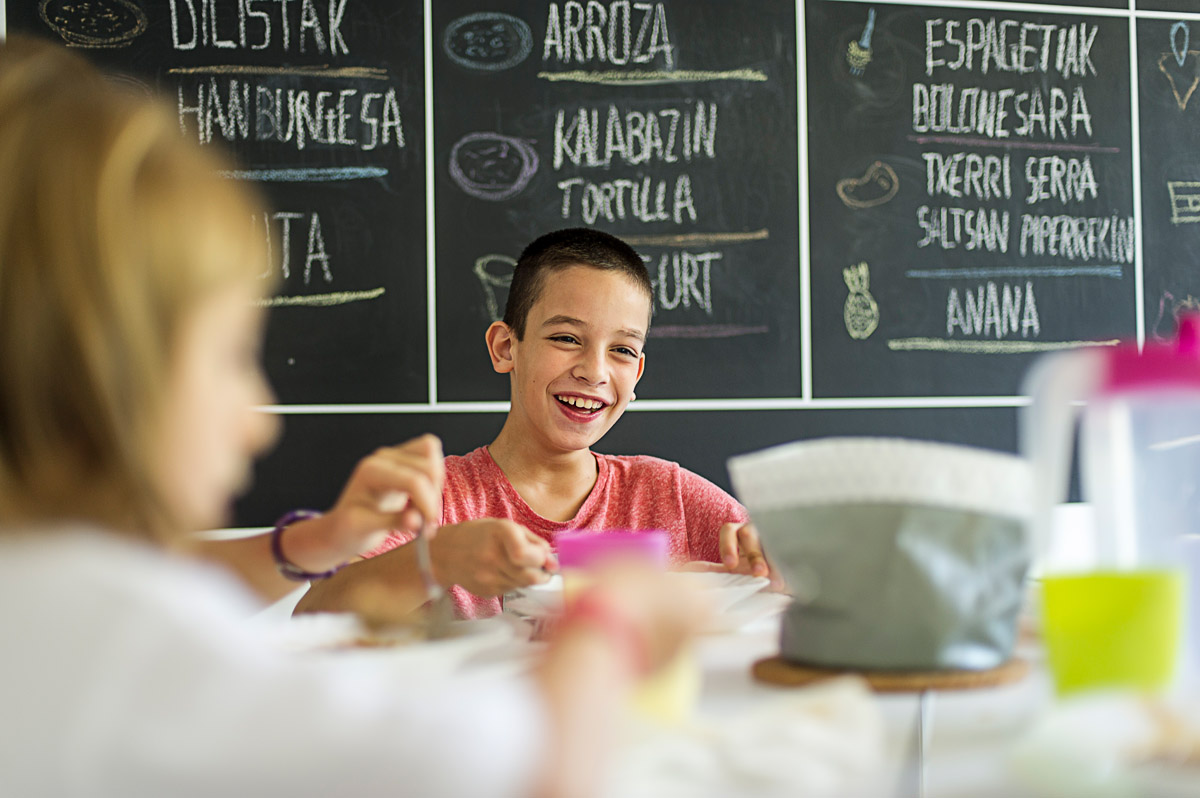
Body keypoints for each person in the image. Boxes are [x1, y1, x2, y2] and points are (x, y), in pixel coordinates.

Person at [0, 36, 701, 797]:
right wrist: (606, 627)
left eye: (623, 350)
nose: (259, 421)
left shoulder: (53, 592)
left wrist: (313, 541)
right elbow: (527, 766)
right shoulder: (123, 644)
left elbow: (174, 586)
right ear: (95, 380)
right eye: (229, 356)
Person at [298, 228, 772, 620]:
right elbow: (312, 618)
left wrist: (778, 562)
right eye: (566, 337)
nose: (595, 371)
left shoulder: (670, 495)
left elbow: (812, 585)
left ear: (637, 374)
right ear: (506, 347)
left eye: (622, 350)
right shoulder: (438, 500)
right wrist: (439, 557)